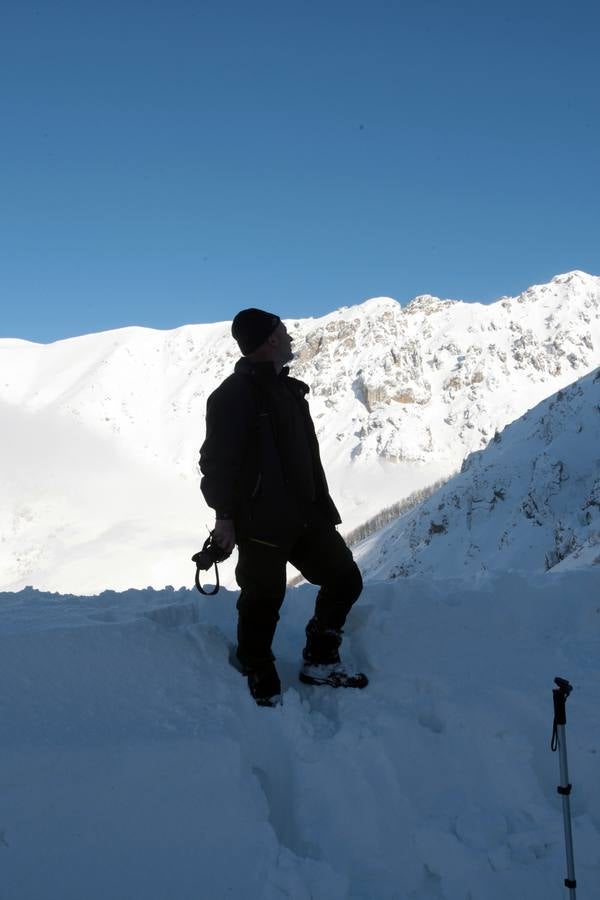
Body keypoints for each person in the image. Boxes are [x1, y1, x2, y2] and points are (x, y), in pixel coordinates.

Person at [199, 308, 366, 706]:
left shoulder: (289, 391)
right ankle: (257, 666)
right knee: (262, 600)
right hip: (260, 523)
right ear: (271, 339)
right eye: (284, 331)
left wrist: (321, 506)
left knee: (345, 579)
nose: (291, 337)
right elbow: (215, 463)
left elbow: (304, 457)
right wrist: (224, 517)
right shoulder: (231, 397)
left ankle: (320, 660)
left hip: (307, 517)